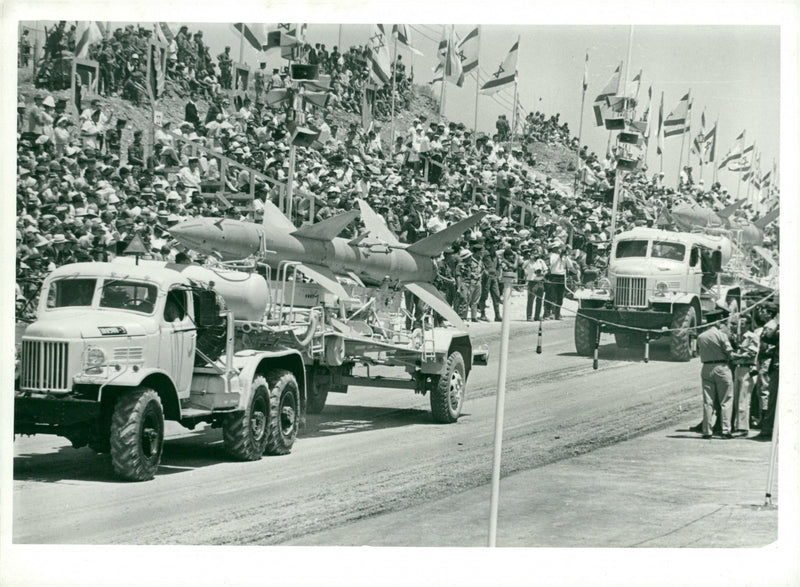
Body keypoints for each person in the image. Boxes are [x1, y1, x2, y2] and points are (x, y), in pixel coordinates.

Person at [696, 324, 734, 439]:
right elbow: (730, 353)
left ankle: (707, 431)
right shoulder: (721, 335)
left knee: (708, 401)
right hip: (721, 367)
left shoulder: (701, 336)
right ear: (718, 323)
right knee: (726, 400)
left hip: (706, 367)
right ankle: (725, 430)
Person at [729, 317, 762, 437]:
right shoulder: (739, 337)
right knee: (737, 399)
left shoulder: (752, 336)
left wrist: (737, 355)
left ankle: (743, 428)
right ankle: (738, 426)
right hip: (738, 368)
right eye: (739, 324)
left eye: (742, 324)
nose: (740, 326)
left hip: (747, 368)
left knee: (744, 400)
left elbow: (752, 353)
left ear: (748, 324)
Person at [544, 241, 575, 320]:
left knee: (560, 297)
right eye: (558, 248)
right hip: (553, 276)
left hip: (562, 277)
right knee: (550, 295)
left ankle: (557, 314)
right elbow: (552, 265)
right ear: (554, 248)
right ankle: (547, 313)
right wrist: (559, 257)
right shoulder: (551, 256)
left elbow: (570, 265)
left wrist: (566, 256)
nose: (559, 250)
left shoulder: (564, 256)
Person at [523, 246, 548, 321]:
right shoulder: (528, 262)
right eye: (533, 253)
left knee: (539, 300)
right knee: (530, 300)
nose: (535, 255)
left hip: (540, 281)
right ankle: (529, 316)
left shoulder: (540, 261)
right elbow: (523, 268)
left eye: (536, 253)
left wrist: (543, 274)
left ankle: (537, 316)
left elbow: (546, 270)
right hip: (531, 282)